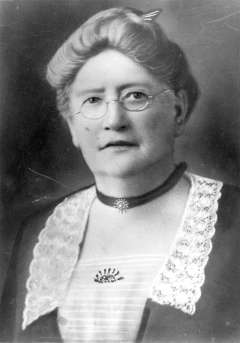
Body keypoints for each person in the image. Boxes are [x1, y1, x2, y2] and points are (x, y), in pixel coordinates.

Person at [1, 6, 240, 343]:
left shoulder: (234, 220)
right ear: (72, 124)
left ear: (178, 110)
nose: (114, 119)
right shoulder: (40, 234)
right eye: (93, 100)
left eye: (135, 96)